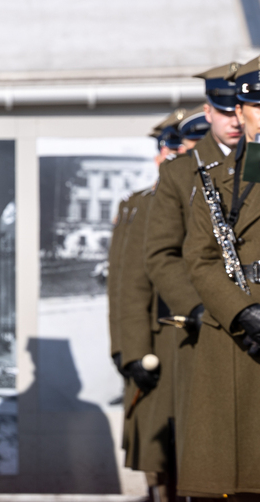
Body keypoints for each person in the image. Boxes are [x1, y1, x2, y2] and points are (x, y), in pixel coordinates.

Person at [144, 62, 240, 499]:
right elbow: (165, 254)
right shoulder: (182, 173)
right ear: (211, 110)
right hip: (206, 324)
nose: (236, 119)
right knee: (209, 456)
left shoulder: (252, 164)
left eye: (242, 108)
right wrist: (200, 309)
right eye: (228, 109)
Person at [183, 55, 260, 500]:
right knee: (234, 480)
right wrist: (242, 311)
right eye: (256, 108)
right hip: (235, 328)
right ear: (242, 113)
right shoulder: (216, 178)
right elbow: (199, 257)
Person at [115, 109, 189, 502]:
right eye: (169, 145)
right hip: (160, 337)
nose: (174, 152)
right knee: (161, 453)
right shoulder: (144, 204)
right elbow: (129, 284)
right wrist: (130, 350)